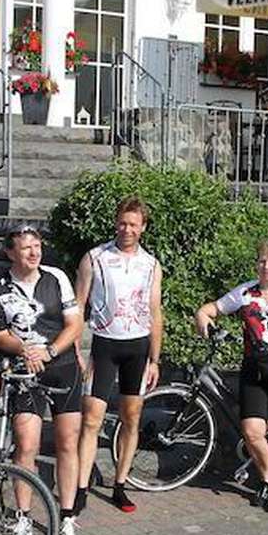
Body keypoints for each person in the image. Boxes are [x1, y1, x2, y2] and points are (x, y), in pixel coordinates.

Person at [194, 239, 268, 514]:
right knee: (252, 433)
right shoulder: (245, 292)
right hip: (254, 372)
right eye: (262, 261)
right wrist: (202, 316)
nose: (266, 266)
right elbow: (212, 308)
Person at [0, 225, 84, 535]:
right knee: (26, 444)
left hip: (62, 366)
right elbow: (0, 337)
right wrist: (24, 349)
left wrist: (51, 351)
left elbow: (74, 324)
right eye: (26, 248)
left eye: (37, 246)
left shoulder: (56, 277)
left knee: (67, 442)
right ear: (10, 253)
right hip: (24, 370)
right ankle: (23, 517)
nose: (34, 252)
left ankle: (67, 518)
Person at [74, 197, 164, 515]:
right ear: (116, 222)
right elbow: (77, 306)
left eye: (133, 224)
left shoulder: (151, 265)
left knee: (131, 418)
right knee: (91, 420)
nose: (127, 229)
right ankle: (81, 488)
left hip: (137, 349)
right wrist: (75, 349)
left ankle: (120, 484)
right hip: (105, 346)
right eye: (123, 223)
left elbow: (155, 312)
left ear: (143, 227)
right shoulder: (95, 258)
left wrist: (155, 359)